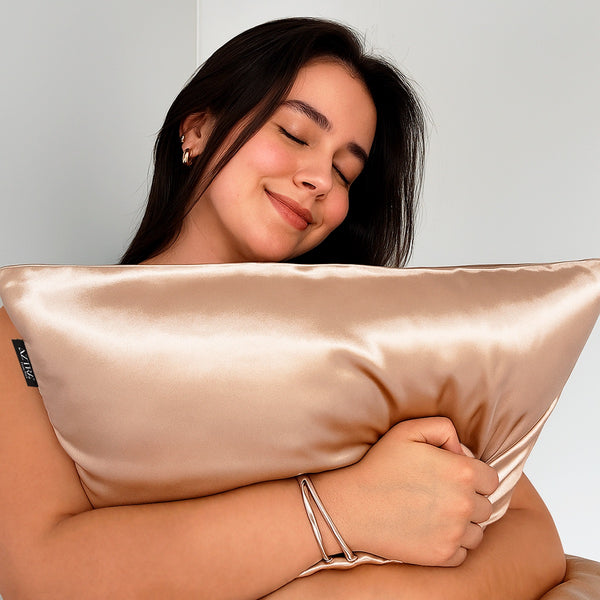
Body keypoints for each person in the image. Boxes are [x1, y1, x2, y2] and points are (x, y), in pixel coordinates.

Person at [0, 17, 565, 599]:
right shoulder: (37, 334)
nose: (321, 179)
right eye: (295, 134)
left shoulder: (372, 339)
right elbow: (37, 576)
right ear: (197, 129)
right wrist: (343, 511)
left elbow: (532, 535)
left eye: (346, 172)